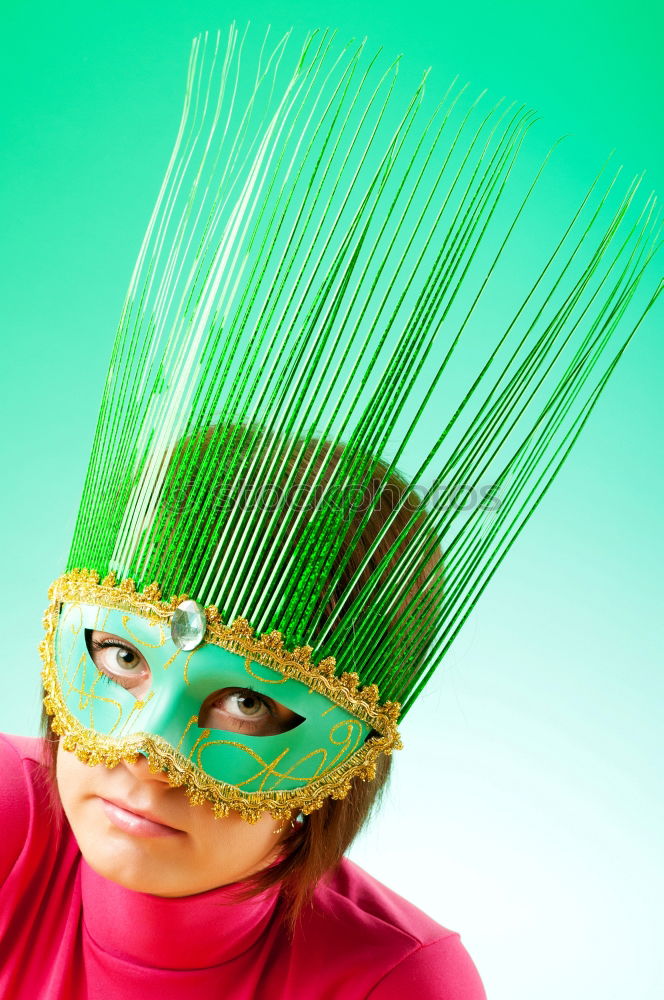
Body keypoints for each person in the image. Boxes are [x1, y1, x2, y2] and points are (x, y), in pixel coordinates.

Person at [0, 22, 658, 999]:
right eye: (123, 656)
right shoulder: (11, 823)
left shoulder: (398, 981)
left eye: (251, 701)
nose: (147, 752)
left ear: (350, 753)